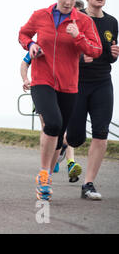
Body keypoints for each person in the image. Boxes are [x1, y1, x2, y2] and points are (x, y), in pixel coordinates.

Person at [18, 0, 102, 201]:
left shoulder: (83, 22)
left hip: (69, 85)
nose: (68, 2)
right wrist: (32, 44)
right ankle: (44, 175)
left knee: (58, 135)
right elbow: (23, 34)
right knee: (53, 123)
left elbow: (96, 50)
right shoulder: (40, 15)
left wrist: (78, 37)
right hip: (42, 79)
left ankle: (46, 178)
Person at [65, 0, 118, 200]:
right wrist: (80, 56)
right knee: (75, 138)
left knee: (101, 133)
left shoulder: (112, 22)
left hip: (102, 82)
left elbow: (109, 53)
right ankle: (60, 147)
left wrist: (114, 55)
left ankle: (88, 184)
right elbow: (67, 53)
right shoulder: (76, 19)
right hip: (78, 83)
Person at [21, 52, 82, 182]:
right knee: (50, 126)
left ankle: (64, 160)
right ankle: (57, 161)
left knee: (59, 128)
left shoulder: (66, 44)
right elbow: (24, 62)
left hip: (64, 91)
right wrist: (25, 79)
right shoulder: (37, 45)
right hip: (44, 91)